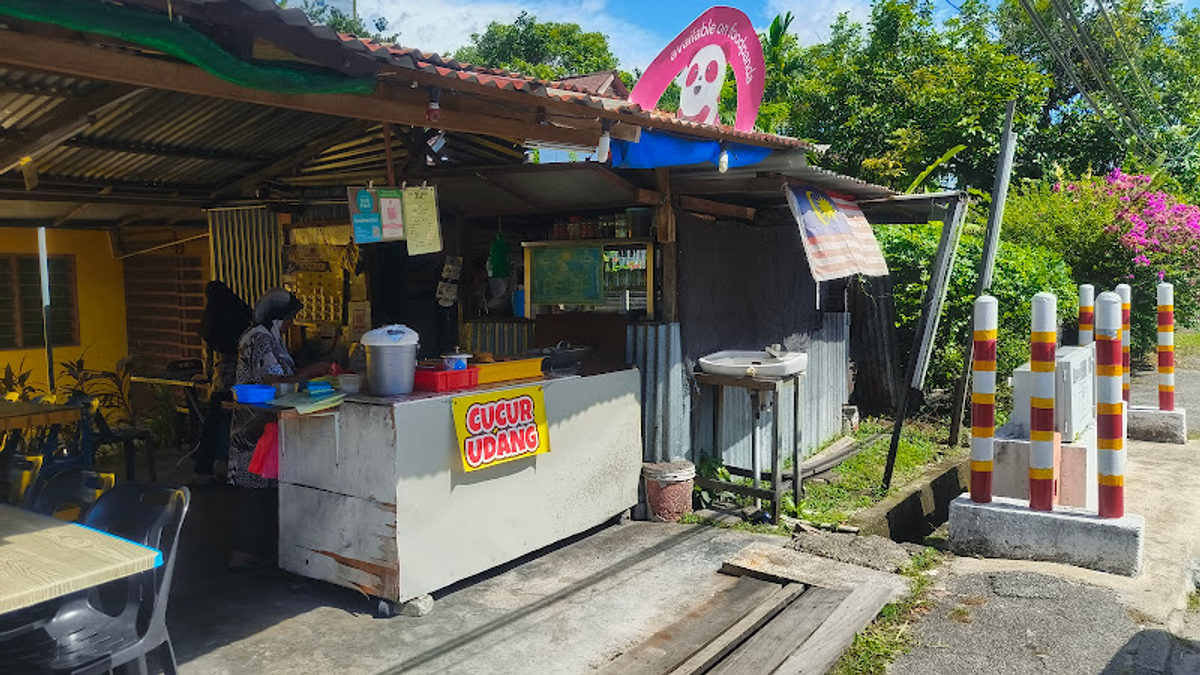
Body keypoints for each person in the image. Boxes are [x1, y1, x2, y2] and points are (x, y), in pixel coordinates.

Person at [226, 289, 328, 569]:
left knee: (264, 486)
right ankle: (243, 554)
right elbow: (273, 382)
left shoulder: (269, 337)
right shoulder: (259, 339)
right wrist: (313, 370)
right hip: (253, 425)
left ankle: (260, 551)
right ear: (278, 317)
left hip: (265, 423)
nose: (291, 324)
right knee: (253, 487)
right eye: (290, 318)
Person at [194, 281, 251, 479]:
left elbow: (207, 357)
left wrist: (207, 375)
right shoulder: (241, 315)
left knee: (214, 423)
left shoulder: (210, 323)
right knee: (235, 424)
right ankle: (232, 465)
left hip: (221, 381)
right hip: (243, 381)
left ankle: (207, 467)